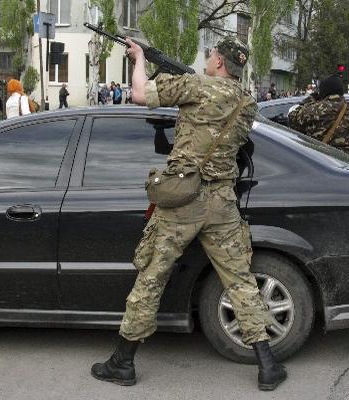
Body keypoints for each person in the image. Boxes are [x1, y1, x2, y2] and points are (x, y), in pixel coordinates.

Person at [90, 36, 287, 391]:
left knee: (152, 277)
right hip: (222, 201)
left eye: (212, 55)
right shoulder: (247, 101)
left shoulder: (196, 86)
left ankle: (122, 362)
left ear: (221, 64)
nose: (208, 59)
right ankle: (267, 366)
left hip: (183, 200)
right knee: (240, 280)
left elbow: (138, 95)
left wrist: (138, 59)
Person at [288, 74, 349, 156]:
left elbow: (292, 119)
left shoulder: (314, 109)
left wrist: (310, 99)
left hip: (324, 162)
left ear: (323, 91)